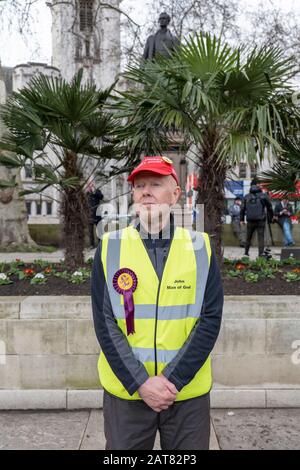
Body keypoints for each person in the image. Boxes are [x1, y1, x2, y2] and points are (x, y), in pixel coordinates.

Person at [91, 156, 223, 450]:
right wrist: (141, 382)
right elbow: (105, 322)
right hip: (128, 394)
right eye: (140, 186)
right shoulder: (110, 247)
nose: (146, 191)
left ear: (175, 194)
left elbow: (210, 320)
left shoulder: (201, 248)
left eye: (156, 184)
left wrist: (172, 380)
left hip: (185, 393)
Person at [240, 179, 273, 258]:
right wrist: (270, 218)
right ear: (258, 186)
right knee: (260, 237)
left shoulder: (246, 196)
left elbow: (242, 209)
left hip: (250, 220)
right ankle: (260, 254)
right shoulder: (263, 195)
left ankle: (246, 253)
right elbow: (270, 207)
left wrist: (241, 219)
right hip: (260, 220)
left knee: (248, 237)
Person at [86, 183, 104, 248]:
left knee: (99, 230)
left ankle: (100, 244)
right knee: (90, 231)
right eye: (89, 185)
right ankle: (92, 245)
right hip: (89, 215)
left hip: (97, 215)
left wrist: (94, 191)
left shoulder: (97, 191)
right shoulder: (87, 193)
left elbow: (101, 197)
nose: (90, 186)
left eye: (91, 185)